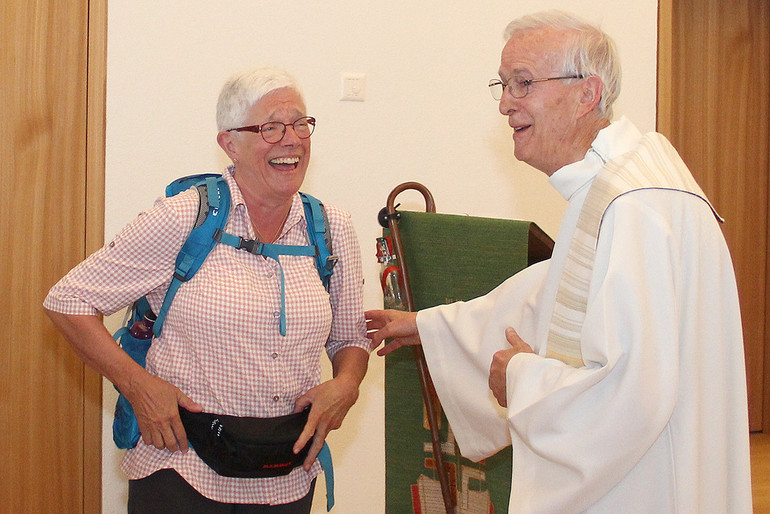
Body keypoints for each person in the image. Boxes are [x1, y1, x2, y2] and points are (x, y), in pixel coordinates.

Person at [366, 10, 752, 513]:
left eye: (523, 84)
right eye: (502, 85)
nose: (505, 104)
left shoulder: (631, 205)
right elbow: (553, 293)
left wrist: (522, 381)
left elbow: (628, 395)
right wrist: (429, 326)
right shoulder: (621, 186)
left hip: (645, 487)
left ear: (587, 94)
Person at [44, 67, 370, 512]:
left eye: (300, 124)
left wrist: (346, 384)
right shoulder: (183, 217)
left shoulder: (332, 227)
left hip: (286, 475)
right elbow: (68, 300)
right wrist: (138, 385)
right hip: (182, 471)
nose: (291, 139)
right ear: (229, 143)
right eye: (270, 127)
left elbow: (350, 337)